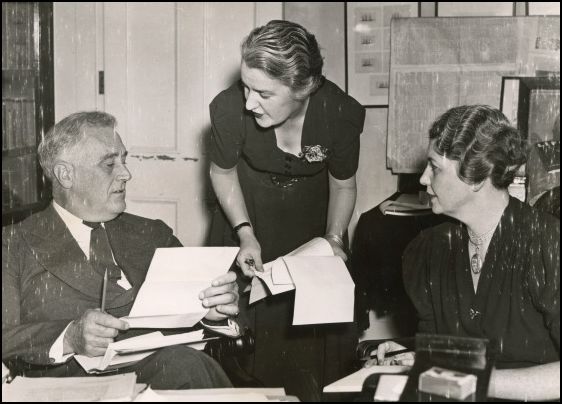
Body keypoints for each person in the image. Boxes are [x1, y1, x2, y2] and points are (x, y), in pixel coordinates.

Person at [2, 111, 240, 389]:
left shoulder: (153, 234)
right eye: (109, 164)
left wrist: (212, 313)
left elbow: (205, 319)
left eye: (124, 160)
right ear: (65, 174)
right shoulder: (13, 244)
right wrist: (68, 337)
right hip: (71, 387)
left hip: (167, 375)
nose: (126, 173)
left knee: (185, 366)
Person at [208, 20, 365, 400]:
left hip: (311, 222)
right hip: (246, 215)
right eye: (246, 86)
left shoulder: (339, 113)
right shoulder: (229, 109)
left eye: (262, 92)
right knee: (242, 341)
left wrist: (333, 239)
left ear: (304, 87)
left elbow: (343, 184)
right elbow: (222, 171)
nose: (249, 102)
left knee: (315, 340)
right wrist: (245, 232)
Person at [369, 105, 560, 401]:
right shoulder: (429, 249)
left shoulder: (547, 244)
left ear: (476, 177)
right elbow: (464, 351)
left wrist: (480, 381)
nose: (422, 179)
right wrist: (417, 352)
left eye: (434, 167)